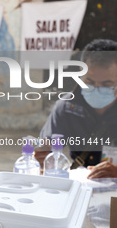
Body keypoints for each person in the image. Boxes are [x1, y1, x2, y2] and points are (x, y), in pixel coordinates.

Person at [37, 39, 117, 179]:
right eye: (89, 82)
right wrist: (40, 158)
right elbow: (46, 152)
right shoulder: (67, 108)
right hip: (82, 185)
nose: (97, 89)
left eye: (106, 84)